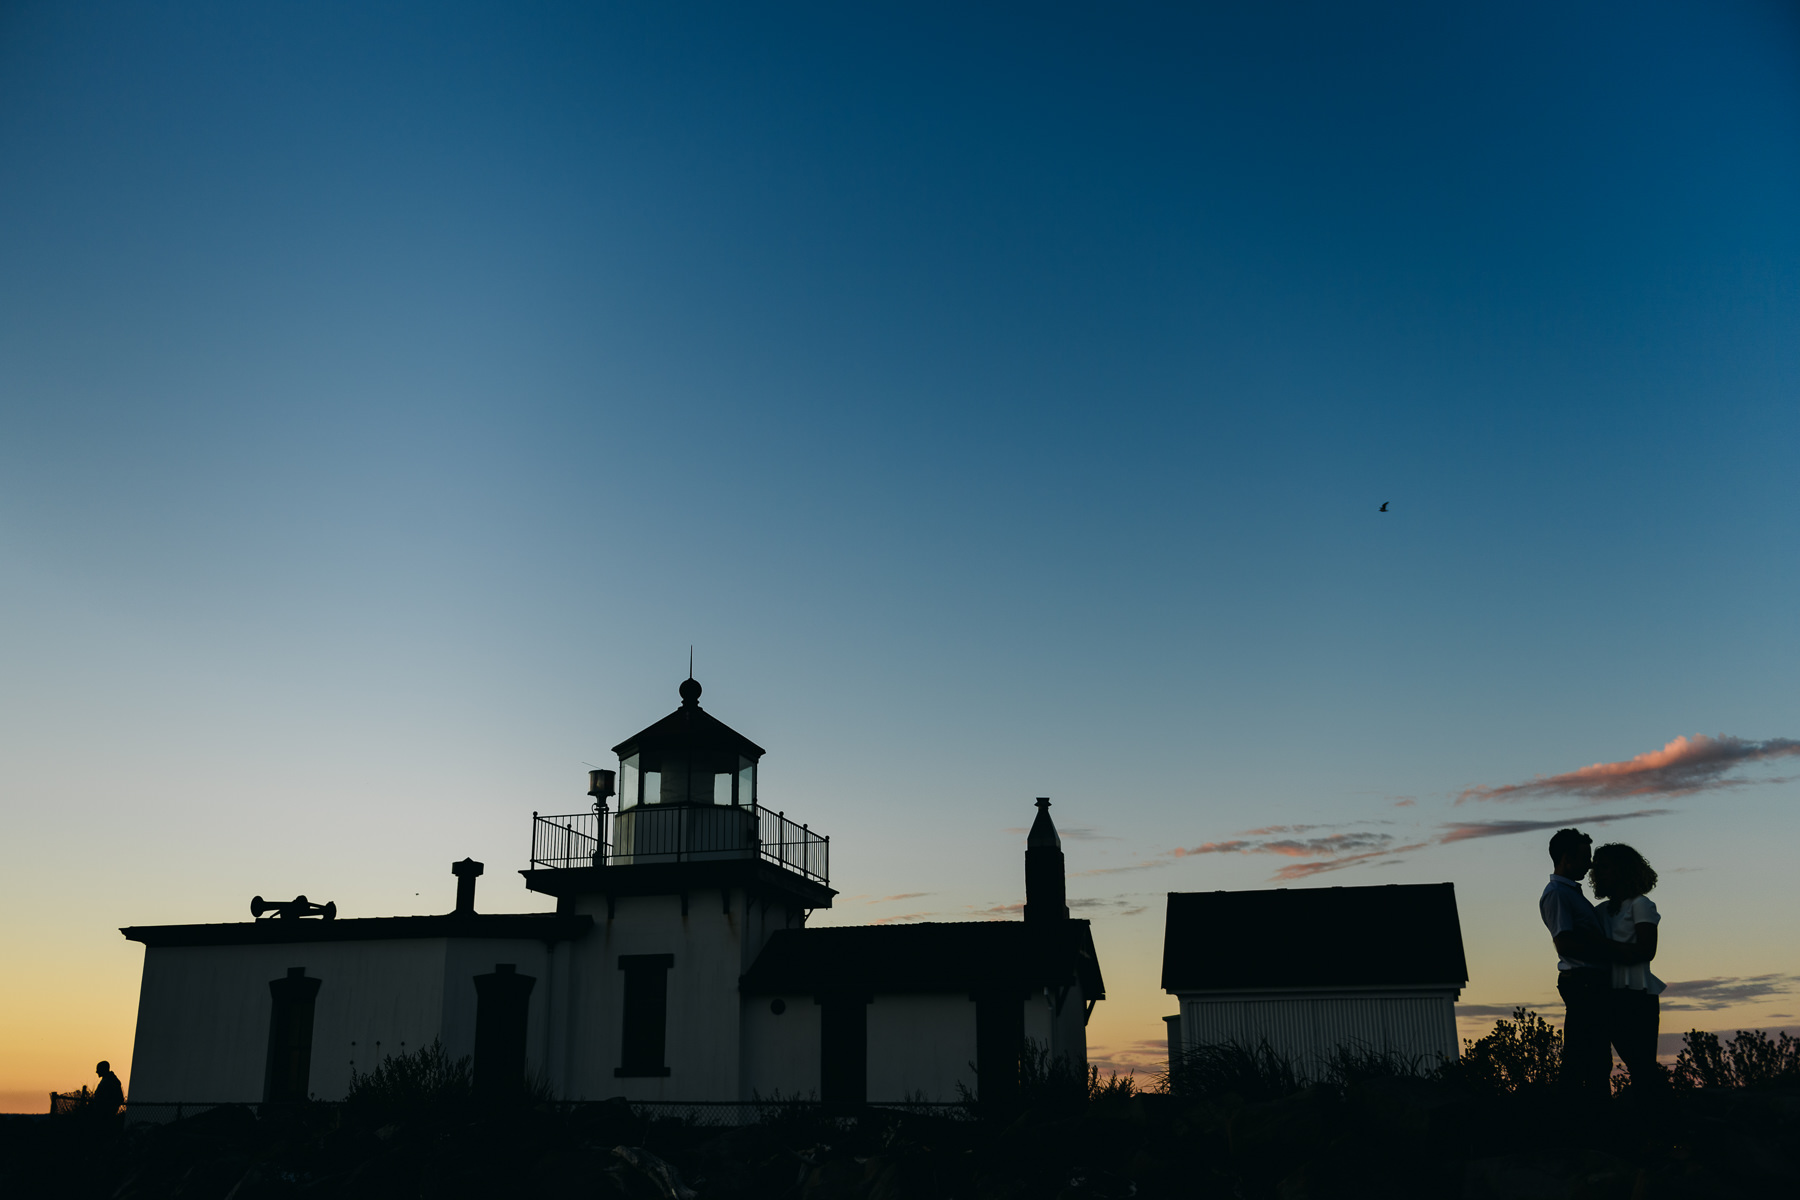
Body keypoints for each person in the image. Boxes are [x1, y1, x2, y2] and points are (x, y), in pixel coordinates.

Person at [1538, 828, 1647, 1096]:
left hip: (1590, 982)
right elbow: (1564, 943)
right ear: (1566, 858)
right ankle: (1587, 1118)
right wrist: (1610, 950)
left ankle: (1588, 1115)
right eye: (1584, 858)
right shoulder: (1558, 894)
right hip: (1583, 982)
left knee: (1592, 1055)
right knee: (1586, 1055)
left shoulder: (1571, 893)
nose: (1590, 866)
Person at [1590, 842, 1665, 1089]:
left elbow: (1647, 950)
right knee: (1629, 1064)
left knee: (1642, 1066)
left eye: (1605, 867)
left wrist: (1603, 946)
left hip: (1638, 995)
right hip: (1609, 995)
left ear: (1622, 870)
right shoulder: (1600, 911)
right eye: (1596, 868)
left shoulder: (1640, 904)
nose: (1597, 873)